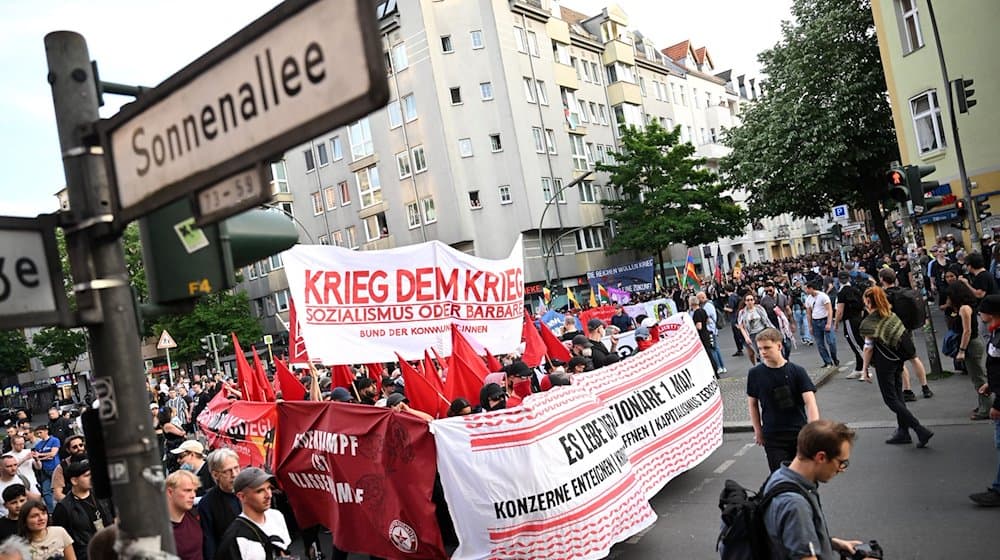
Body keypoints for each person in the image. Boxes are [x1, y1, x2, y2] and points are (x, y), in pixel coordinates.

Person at [762, 419, 874, 560]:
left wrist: (832, 543)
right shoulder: (795, 504)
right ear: (821, 457)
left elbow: (789, 536)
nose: (842, 469)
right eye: (841, 462)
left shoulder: (779, 477)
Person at [860, 286, 934, 447]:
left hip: (884, 362)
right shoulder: (891, 315)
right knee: (898, 396)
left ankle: (919, 429)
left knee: (890, 399)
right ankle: (903, 431)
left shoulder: (869, 322)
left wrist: (864, 369)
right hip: (898, 359)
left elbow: (868, 347)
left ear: (867, 301)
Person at [747, 328, 820, 472]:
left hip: (799, 435)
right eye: (760, 348)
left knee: (805, 476)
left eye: (767, 348)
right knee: (781, 478)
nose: (762, 352)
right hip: (773, 437)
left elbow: (810, 403)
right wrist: (758, 430)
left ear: (779, 346)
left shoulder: (797, 371)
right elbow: (753, 404)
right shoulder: (755, 374)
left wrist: (813, 431)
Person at [215, 468, 291, 560]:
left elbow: (285, 550)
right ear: (242, 496)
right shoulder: (235, 538)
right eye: (260, 491)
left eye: (269, 488)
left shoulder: (276, 516)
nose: (269, 495)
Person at [969, 294, 1000, 506]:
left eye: (982, 310)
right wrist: (992, 384)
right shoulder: (995, 332)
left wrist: (998, 405)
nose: (979, 314)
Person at [947, 281, 992, 420]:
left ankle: (986, 408)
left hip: (971, 344)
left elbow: (967, 331)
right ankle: (983, 404)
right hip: (973, 343)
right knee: (977, 375)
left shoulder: (964, 309)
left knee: (978, 376)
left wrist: (961, 350)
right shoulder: (966, 307)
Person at [51, 461, 113, 560]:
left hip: (110, 548)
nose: (91, 478)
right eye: (87, 475)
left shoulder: (101, 496)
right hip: (85, 554)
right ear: (74, 481)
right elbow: (60, 540)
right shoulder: (64, 507)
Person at [197, 448, 241, 560]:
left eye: (236, 468)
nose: (234, 474)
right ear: (215, 475)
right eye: (228, 471)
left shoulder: (250, 490)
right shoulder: (207, 503)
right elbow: (209, 540)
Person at [834, 270, 867, 380]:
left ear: (839, 280)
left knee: (857, 345)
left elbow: (840, 311)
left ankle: (865, 370)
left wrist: (836, 323)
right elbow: (863, 306)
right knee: (858, 344)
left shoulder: (842, 292)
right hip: (858, 319)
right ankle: (859, 368)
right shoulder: (856, 289)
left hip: (849, 321)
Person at [166, 469, 204, 560]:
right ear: (170, 492)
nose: (193, 495)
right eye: (187, 490)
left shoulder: (195, 515)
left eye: (194, 491)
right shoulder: (159, 527)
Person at [805, 281, 839, 369]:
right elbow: (808, 313)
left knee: (831, 342)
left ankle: (834, 358)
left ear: (811, 288)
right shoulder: (808, 299)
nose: (806, 291)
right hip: (815, 321)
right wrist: (810, 326)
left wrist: (828, 323)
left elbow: (829, 310)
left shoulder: (823, 296)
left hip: (824, 320)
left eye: (807, 288)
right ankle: (827, 361)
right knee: (820, 343)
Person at [737, 292, 774, 366]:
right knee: (758, 351)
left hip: (762, 331)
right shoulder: (742, 312)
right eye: (748, 300)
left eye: (751, 300)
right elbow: (741, 327)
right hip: (752, 334)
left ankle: (768, 365)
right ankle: (760, 366)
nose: (750, 302)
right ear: (745, 302)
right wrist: (746, 337)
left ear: (754, 301)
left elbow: (766, 320)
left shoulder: (759, 308)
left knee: (766, 349)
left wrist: (771, 330)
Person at [31, 426, 59, 512]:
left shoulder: (54, 440)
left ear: (46, 431)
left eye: (41, 432)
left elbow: (53, 454)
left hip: (55, 468)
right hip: (44, 470)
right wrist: (42, 457)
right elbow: (37, 457)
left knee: (59, 490)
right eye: (38, 433)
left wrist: (40, 455)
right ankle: (51, 512)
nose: (39, 435)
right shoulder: (38, 445)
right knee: (46, 491)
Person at [697, 291, 727, 374]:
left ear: (702, 298)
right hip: (712, 329)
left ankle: (719, 366)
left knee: (713, 348)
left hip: (710, 329)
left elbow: (708, 319)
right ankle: (722, 366)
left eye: (698, 298)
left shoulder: (707, 306)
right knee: (715, 348)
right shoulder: (709, 304)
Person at [51, 436, 86, 503]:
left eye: (81, 445)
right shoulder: (62, 467)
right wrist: (75, 503)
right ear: (68, 450)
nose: (79, 448)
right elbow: (58, 494)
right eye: (75, 447)